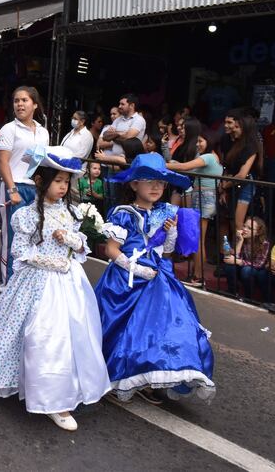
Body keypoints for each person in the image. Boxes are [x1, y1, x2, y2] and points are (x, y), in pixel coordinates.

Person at [0, 145, 111, 431]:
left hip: (70, 282)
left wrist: (72, 242)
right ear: (40, 181)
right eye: (57, 181)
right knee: (41, 335)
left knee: (72, 335)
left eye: (65, 182)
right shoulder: (27, 215)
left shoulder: (72, 212)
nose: (62, 187)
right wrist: (49, 260)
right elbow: (19, 252)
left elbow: (82, 246)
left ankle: (62, 393)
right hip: (37, 282)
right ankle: (39, 391)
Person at [94, 153, 215, 403]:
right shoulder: (124, 213)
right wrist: (136, 270)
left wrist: (170, 233)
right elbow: (111, 250)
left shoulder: (166, 212)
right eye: (149, 180)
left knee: (163, 327)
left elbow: (166, 251)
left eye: (160, 182)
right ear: (134, 184)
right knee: (122, 330)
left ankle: (150, 376)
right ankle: (120, 374)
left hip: (159, 277)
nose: (156, 187)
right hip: (125, 280)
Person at [0, 86, 50, 286]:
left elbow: (42, 163)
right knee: (11, 238)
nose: (19, 104)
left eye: (24, 100)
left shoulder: (43, 132)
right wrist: (12, 190)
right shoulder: (9, 129)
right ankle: (6, 283)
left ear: (34, 104)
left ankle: (23, 283)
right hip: (13, 187)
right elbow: (2, 162)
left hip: (34, 189)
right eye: (16, 101)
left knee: (32, 238)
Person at [167, 134, 223, 287]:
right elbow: (186, 167)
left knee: (199, 239)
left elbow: (185, 167)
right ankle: (198, 275)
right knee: (198, 238)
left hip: (204, 197)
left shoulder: (209, 157)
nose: (197, 144)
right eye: (197, 140)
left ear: (209, 141)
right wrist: (173, 162)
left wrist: (162, 165)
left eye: (200, 141)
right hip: (204, 196)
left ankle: (199, 277)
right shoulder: (212, 157)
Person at [219, 110, 262, 231]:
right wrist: (223, 186)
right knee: (227, 219)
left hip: (245, 183)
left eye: (236, 126)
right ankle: (228, 249)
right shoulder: (227, 140)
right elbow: (225, 164)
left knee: (238, 223)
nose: (231, 128)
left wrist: (225, 185)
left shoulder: (251, 145)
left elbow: (242, 175)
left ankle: (240, 249)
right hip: (230, 180)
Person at [223, 216, 270, 300]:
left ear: (258, 232)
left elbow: (259, 264)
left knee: (246, 270)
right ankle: (232, 292)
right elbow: (235, 258)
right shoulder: (242, 238)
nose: (245, 229)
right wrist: (240, 241)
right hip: (244, 267)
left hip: (257, 271)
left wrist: (239, 262)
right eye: (244, 226)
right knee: (229, 265)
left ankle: (249, 297)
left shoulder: (264, 244)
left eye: (250, 228)